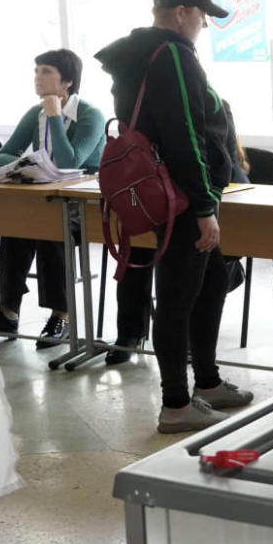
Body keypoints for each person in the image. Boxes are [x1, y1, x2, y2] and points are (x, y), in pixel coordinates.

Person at [95, 0, 253, 433]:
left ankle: (206, 382)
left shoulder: (139, 56)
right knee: (179, 297)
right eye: (203, 17)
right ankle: (177, 404)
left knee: (212, 278)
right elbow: (186, 137)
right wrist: (204, 208)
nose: (203, 26)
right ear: (182, 12)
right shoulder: (173, 57)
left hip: (170, 192)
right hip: (184, 198)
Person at [104, 98, 248, 366]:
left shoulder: (213, 104)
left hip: (214, 196)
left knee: (198, 267)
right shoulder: (153, 105)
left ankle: (195, 348)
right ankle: (129, 334)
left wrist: (204, 205)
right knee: (137, 248)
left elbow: (220, 161)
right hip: (164, 194)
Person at [0, 49, 105, 348]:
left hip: (84, 204)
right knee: (16, 227)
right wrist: (20, 165)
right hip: (46, 197)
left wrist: (54, 115)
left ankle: (61, 316)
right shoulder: (34, 112)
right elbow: (3, 152)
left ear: (67, 82)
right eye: (37, 71)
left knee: (52, 229)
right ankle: (8, 312)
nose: (38, 77)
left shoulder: (90, 115)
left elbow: (69, 162)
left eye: (46, 71)